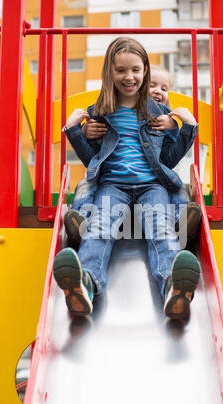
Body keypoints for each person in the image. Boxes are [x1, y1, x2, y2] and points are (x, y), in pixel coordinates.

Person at [53, 37, 200, 321]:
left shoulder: (159, 113)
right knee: (98, 228)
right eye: (120, 70)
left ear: (145, 70)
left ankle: (174, 287)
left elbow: (167, 160)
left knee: (162, 230)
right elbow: (91, 160)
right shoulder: (99, 114)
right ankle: (84, 284)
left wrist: (187, 128)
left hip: (151, 186)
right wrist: (74, 131)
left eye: (135, 69)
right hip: (112, 185)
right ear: (109, 72)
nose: (128, 77)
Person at [64, 64, 202, 245]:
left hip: (151, 192)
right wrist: (81, 132)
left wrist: (178, 130)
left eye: (164, 88)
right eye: (152, 85)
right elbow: (93, 157)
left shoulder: (165, 121)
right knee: (86, 184)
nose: (158, 91)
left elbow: (168, 160)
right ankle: (82, 220)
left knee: (177, 185)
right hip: (112, 189)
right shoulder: (110, 115)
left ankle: (180, 221)